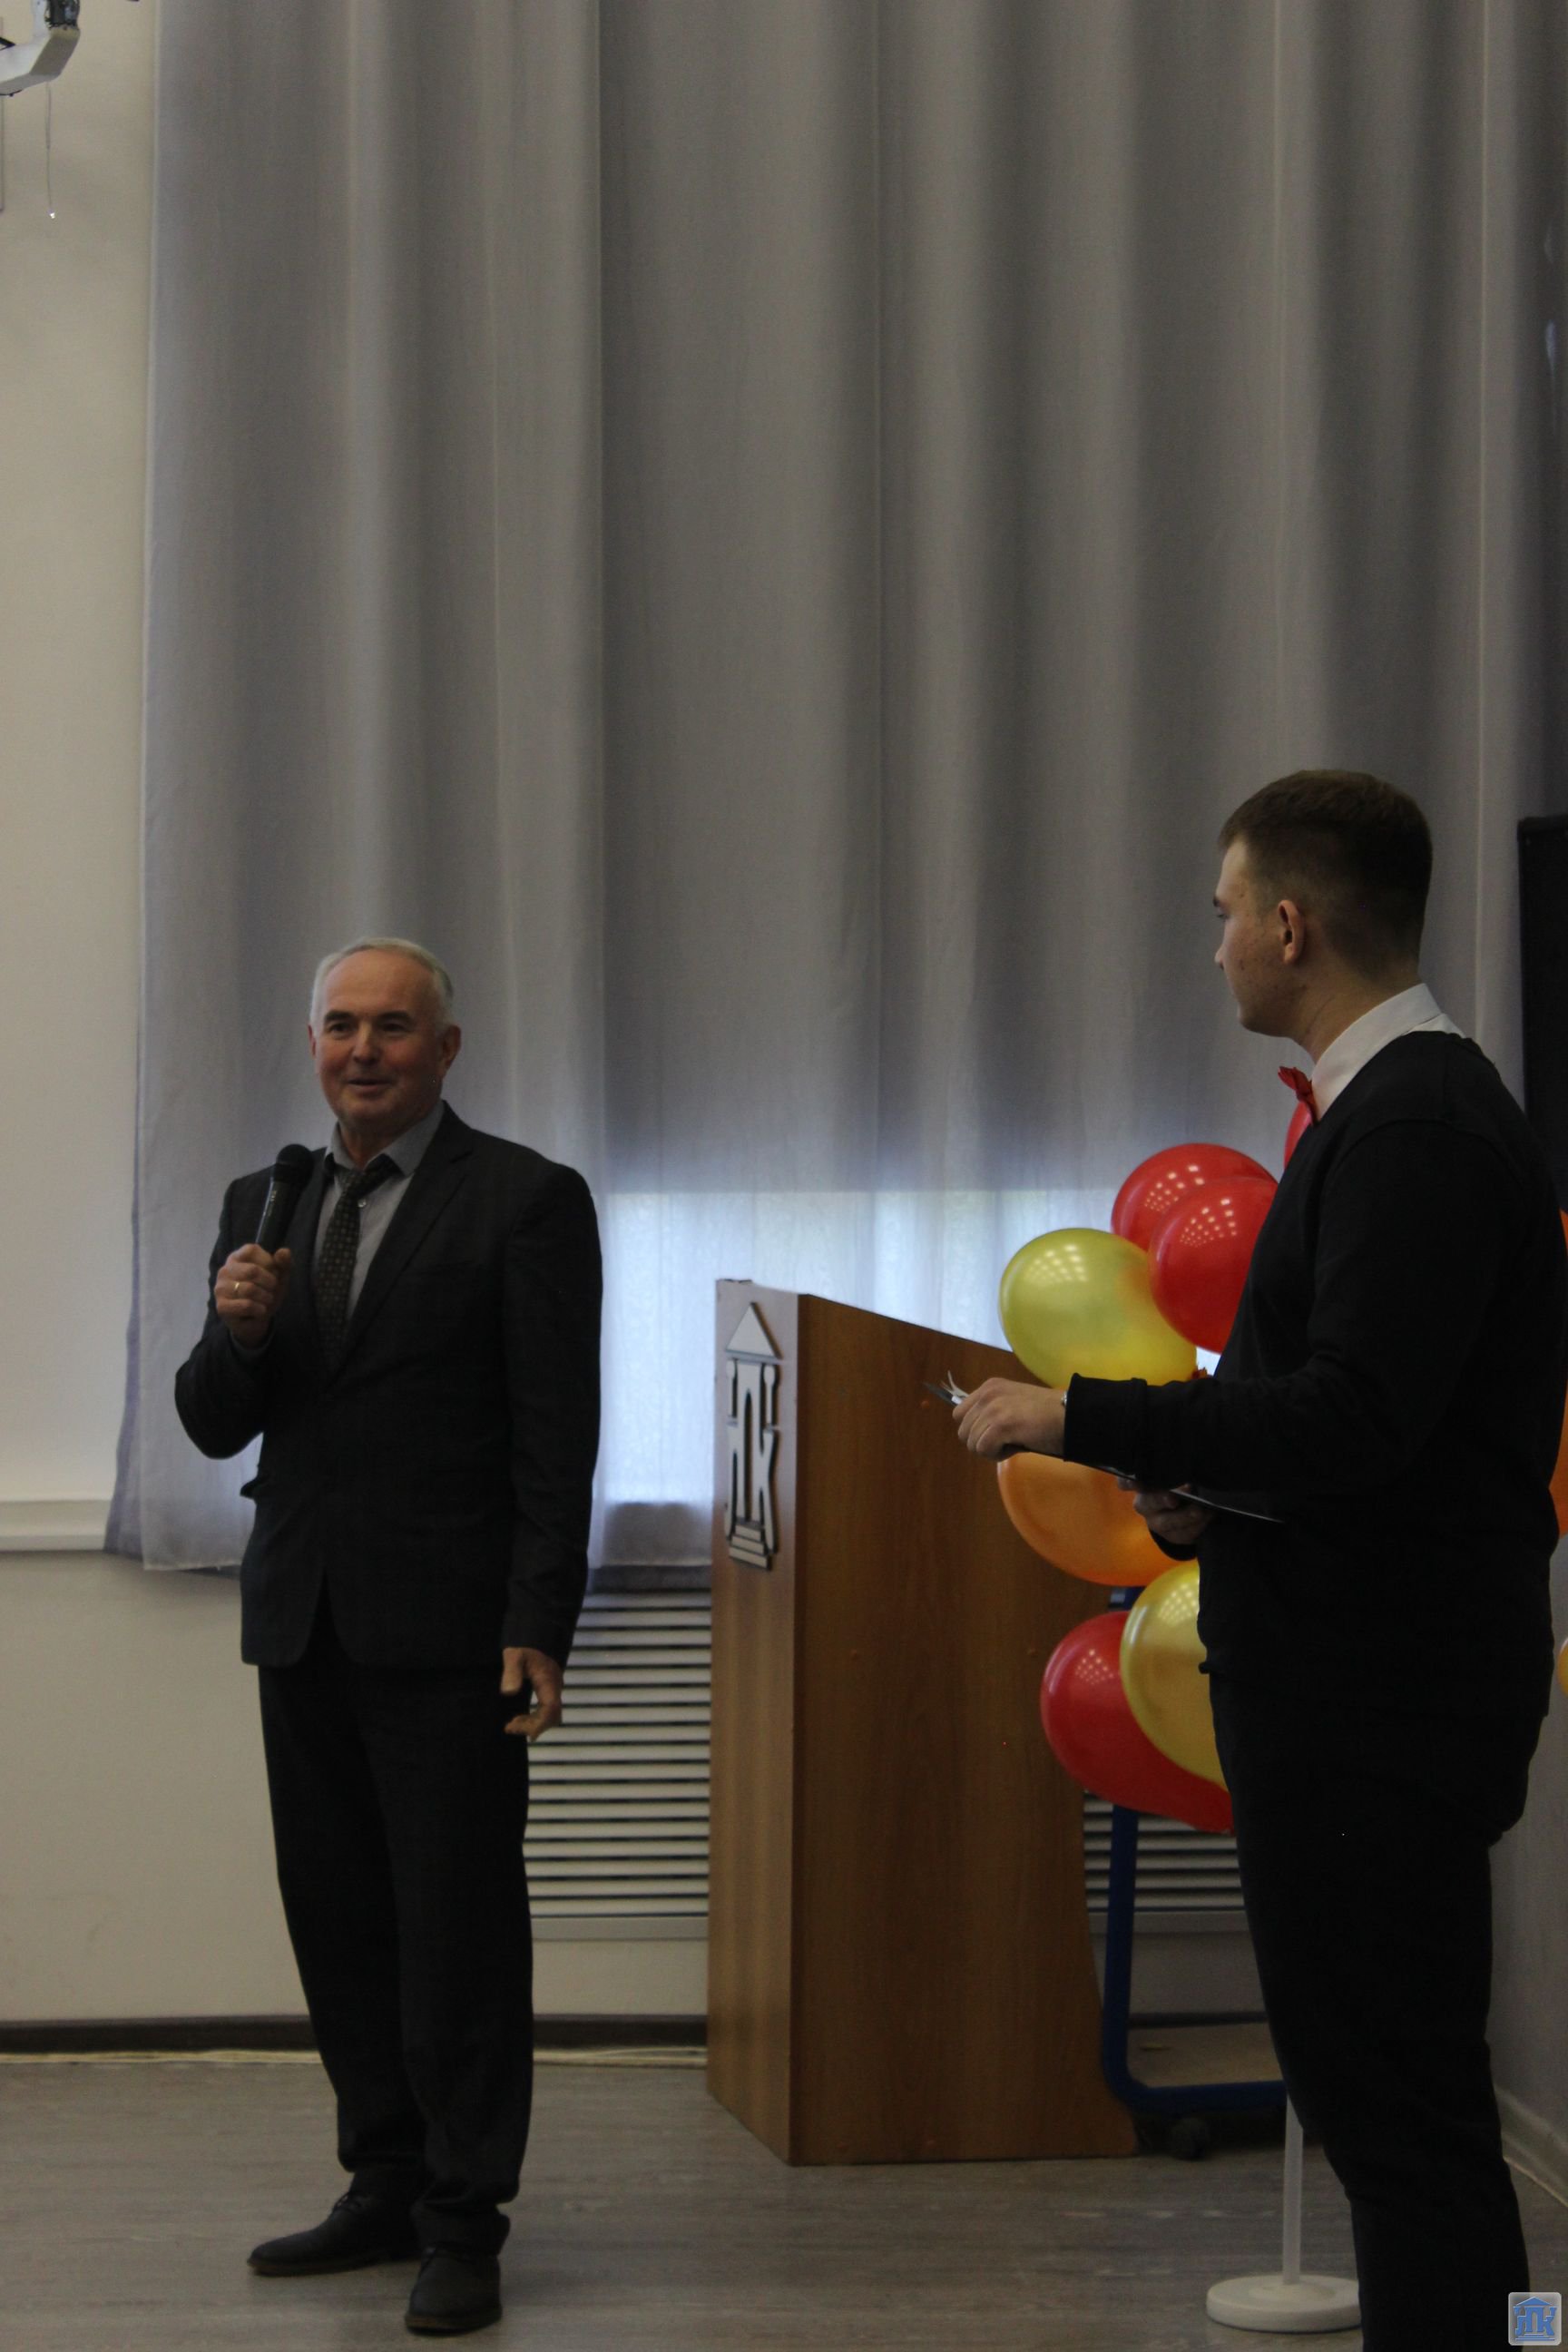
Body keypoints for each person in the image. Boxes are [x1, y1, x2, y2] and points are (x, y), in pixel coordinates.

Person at [954, 773, 1567, 2352]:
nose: (1216, 943)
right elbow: (1370, 1429)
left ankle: (1519, 2341)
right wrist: (1206, 1504)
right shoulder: (1388, 1111)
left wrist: (1082, 1414)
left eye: (1225, 912)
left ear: (1291, 925)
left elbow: (1356, 1419)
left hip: (1380, 1704)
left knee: (1404, 2119)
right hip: (1358, 1684)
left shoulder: (1417, 1124)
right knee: (1393, 2107)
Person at [175, 936, 602, 2339]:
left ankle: (466, 2221)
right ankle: (383, 2179)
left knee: (458, 1935)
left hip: (453, 1633)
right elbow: (213, 1422)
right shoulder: (267, 1201)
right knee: (341, 1923)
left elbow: (557, 1437)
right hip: (303, 1621)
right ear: (314, 1045)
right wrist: (238, 1334)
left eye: (395, 1028)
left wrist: (540, 1621)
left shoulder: (526, 1200)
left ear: (446, 1049)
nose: (365, 1050)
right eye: (342, 1027)